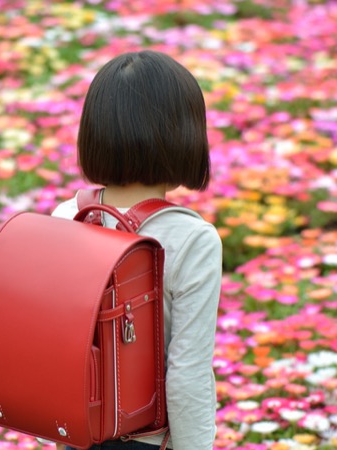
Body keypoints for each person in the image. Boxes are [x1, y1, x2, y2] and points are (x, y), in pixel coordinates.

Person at [50, 51, 222, 450]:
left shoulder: (67, 216)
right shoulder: (192, 240)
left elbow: (56, 343)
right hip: (146, 439)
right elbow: (187, 373)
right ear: (186, 136)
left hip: (75, 432)